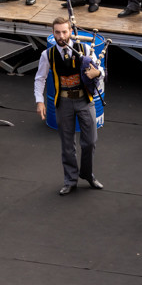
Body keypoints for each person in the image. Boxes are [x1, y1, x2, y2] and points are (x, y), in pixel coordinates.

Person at [35, 16, 105, 194]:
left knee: (90, 141)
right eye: (57, 32)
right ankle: (70, 179)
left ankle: (87, 174)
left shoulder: (85, 48)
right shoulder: (47, 55)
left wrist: (96, 72)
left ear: (71, 33)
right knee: (67, 145)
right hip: (63, 102)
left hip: (84, 100)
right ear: (53, 33)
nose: (61, 36)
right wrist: (40, 101)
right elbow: (40, 78)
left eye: (64, 32)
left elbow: (101, 71)